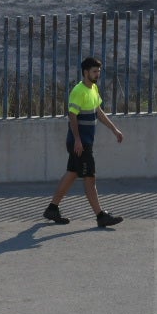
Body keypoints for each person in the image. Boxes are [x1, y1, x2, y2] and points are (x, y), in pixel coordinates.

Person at [42, 56, 125, 228]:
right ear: (85, 72)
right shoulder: (78, 91)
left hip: (83, 143)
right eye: (94, 71)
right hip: (80, 144)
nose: (97, 74)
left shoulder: (93, 88)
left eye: (98, 71)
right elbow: (72, 116)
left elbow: (98, 111)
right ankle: (101, 216)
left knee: (72, 174)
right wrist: (78, 140)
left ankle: (52, 209)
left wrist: (114, 129)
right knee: (90, 178)